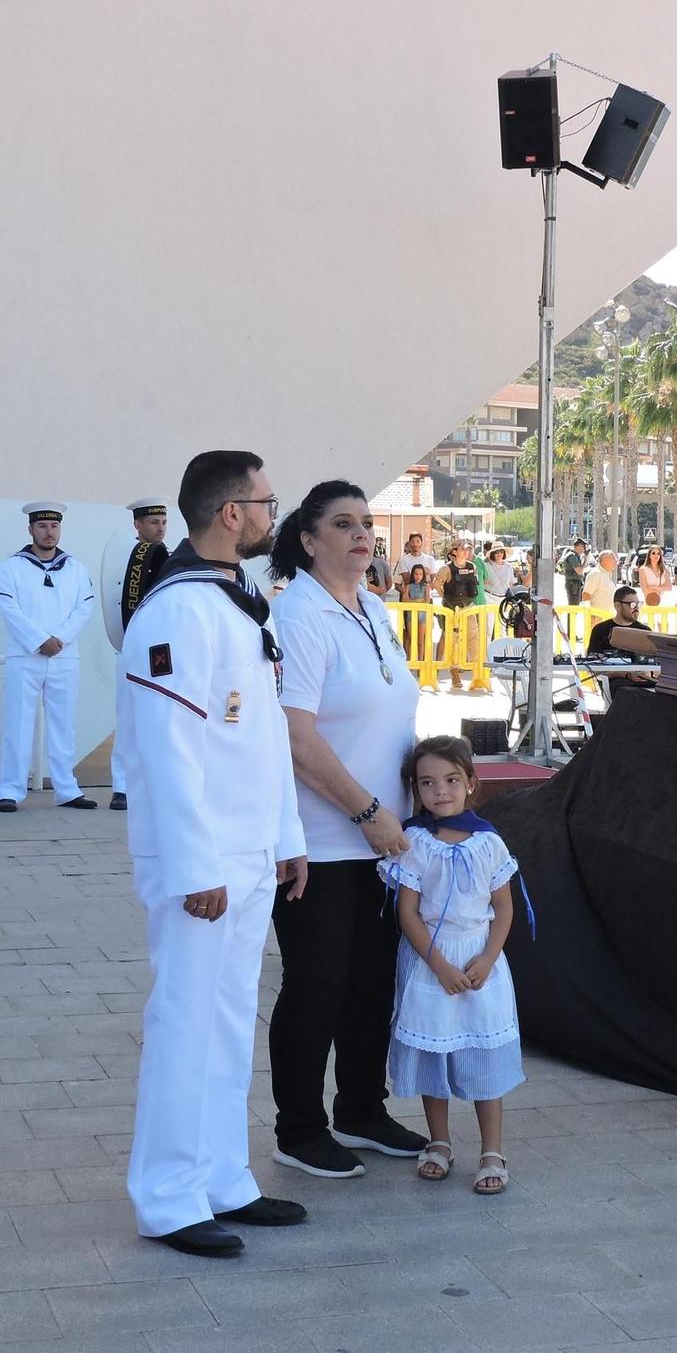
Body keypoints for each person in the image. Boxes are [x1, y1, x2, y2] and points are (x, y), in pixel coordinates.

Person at [121, 450, 307, 1257]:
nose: (275, 515)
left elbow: (262, 735)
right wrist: (197, 869)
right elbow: (166, 755)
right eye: (267, 502)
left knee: (230, 1021)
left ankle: (223, 1176)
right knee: (185, 1022)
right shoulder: (176, 611)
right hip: (203, 861)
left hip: (250, 850)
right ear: (231, 513)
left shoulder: (237, 597)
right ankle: (167, 1196)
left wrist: (287, 838)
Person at [266, 481, 427, 1181]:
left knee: (372, 984)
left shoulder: (375, 608)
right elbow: (294, 736)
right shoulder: (297, 614)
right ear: (308, 538)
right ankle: (299, 1128)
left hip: (387, 843)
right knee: (317, 986)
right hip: (324, 841)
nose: (362, 535)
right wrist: (365, 811)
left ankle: (362, 1107)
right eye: (343, 524)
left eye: (367, 523)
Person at [377, 736, 523, 1196]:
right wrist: (438, 965)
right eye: (428, 783)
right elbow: (408, 914)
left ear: (471, 783)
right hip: (430, 964)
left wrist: (489, 957)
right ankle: (438, 1141)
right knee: (434, 1050)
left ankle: (492, 1149)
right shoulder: (415, 842)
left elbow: (504, 909)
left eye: (451, 780)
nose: (440, 791)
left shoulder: (489, 843)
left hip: (480, 961)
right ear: (415, 790)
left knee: (484, 1055)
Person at [0, 503, 99, 812]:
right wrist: (40, 640)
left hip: (64, 657)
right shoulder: (11, 567)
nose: (48, 531)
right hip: (24, 656)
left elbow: (84, 607)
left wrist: (60, 639)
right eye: (42, 526)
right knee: (18, 723)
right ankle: (10, 790)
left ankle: (66, 788)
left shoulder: (76, 568)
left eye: (54, 526)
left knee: (63, 724)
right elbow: (8, 608)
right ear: (30, 530)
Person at [103, 497, 172, 811]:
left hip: (161, 651)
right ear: (138, 525)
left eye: (163, 522)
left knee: (162, 718)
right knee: (128, 717)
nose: (159, 528)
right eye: (153, 522)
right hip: (131, 647)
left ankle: (157, 782)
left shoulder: (170, 559)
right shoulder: (121, 559)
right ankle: (122, 786)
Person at [436, 539, 481, 691]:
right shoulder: (446, 569)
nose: (466, 552)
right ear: (454, 552)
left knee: (473, 638)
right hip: (451, 608)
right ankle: (454, 672)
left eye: (467, 550)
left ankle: (477, 671)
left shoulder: (472, 567)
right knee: (453, 641)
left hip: (467, 606)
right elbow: (436, 584)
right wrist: (445, 597)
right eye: (462, 549)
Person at [393, 532, 436, 601]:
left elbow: (434, 581)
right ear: (409, 543)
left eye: (418, 541)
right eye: (413, 541)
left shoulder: (430, 559)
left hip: (426, 600)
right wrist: (407, 594)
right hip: (408, 601)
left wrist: (425, 593)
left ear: (421, 543)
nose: (415, 544)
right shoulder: (403, 560)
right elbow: (397, 584)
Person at [560, 538, 588, 605]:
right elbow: (579, 571)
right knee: (573, 606)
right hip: (573, 584)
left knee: (574, 605)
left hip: (574, 584)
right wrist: (585, 560)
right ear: (577, 546)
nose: (584, 549)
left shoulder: (574, 556)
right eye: (583, 547)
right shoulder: (572, 556)